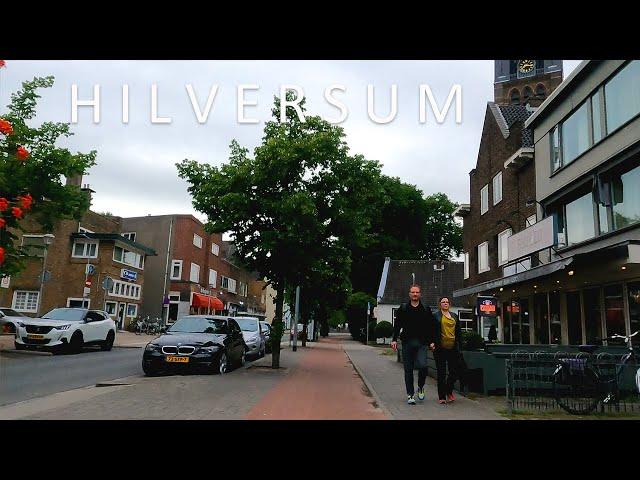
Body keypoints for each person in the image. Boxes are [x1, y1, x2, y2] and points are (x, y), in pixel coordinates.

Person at [391, 285, 437, 405]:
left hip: (422, 342)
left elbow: (431, 326)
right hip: (407, 342)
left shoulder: (426, 309)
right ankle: (410, 395)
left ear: (420, 294)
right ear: (409, 294)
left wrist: (432, 341)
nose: (415, 294)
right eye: (413, 292)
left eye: (417, 292)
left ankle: (420, 387)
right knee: (408, 370)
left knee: (423, 366)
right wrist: (394, 339)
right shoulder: (404, 308)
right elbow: (397, 325)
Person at [433, 296, 463, 404]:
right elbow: (431, 331)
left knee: (454, 372)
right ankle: (442, 396)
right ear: (440, 304)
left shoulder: (454, 316)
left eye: (447, 302)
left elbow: (458, 332)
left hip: (453, 348)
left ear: (449, 304)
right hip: (440, 348)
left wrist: (461, 345)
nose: (445, 303)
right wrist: (431, 342)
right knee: (441, 373)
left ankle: (449, 390)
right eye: (443, 302)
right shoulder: (435, 316)